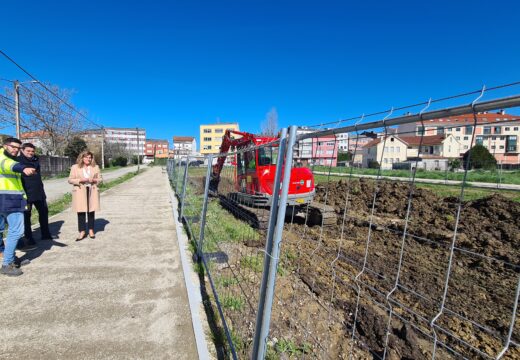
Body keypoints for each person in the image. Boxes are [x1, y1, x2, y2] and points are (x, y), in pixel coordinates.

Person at [0, 137, 37, 276]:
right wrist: (23, 168)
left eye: (18, 148)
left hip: (9, 199)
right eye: (13, 147)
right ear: (5, 146)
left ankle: (11, 258)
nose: (15, 150)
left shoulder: (10, 157)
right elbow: (8, 165)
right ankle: (7, 264)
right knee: (16, 231)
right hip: (9, 200)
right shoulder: (3, 158)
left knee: (10, 231)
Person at [18, 143, 53, 246]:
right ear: (22, 150)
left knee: (44, 213)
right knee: (26, 216)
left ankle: (45, 234)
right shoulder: (18, 161)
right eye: (28, 151)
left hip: (39, 192)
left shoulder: (36, 159)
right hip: (26, 193)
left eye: (32, 151)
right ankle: (29, 238)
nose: (31, 153)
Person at [68, 150, 102, 241]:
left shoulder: (95, 167)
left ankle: (91, 230)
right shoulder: (75, 167)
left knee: (91, 211)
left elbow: (100, 179)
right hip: (80, 191)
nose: (88, 159)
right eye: (86, 157)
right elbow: (70, 180)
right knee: (81, 212)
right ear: (82, 158)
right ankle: (82, 231)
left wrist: (94, 180)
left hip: (92, 191)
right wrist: (80, 180)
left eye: (90, 157)